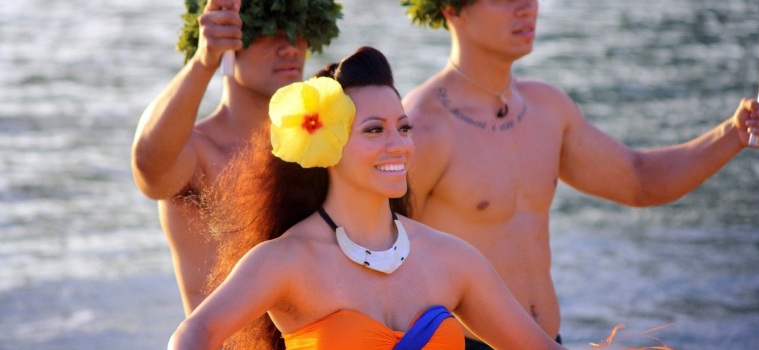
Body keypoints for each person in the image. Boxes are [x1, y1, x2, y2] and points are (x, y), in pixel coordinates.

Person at [399, 0, 759, 348]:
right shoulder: (421, 129)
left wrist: (735, 134)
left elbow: (640, 181)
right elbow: (376, 256)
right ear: (451, 9)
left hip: (551, 340)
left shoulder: (547, 108)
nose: (527, 6)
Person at [167, 46, 567, 350]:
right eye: (375, 131)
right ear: (329, 146)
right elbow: (196, 331)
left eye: (404, 128)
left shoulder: (452, 260)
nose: (400, 146)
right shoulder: (287, 261)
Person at [130, 0, 343, 315]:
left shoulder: (320, 145)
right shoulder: (198, 153)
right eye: (266, 32)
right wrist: (204, 61)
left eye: (298, 30)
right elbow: (148, 169)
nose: (289, 47)